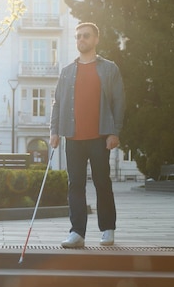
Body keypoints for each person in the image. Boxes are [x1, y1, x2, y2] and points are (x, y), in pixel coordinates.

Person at [49, 22, 125, 248]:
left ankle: (107, 229)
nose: (81, 39)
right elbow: (57, 103)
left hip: (100, 136)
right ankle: (77, 233)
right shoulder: (67, 72)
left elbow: (119, 101)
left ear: (96, 39)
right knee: (75, 185)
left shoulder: (109, 68)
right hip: (73, 138)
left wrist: (114, 131)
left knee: (102, 183)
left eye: (86, 36)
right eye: (78, 36)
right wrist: (54, 131)